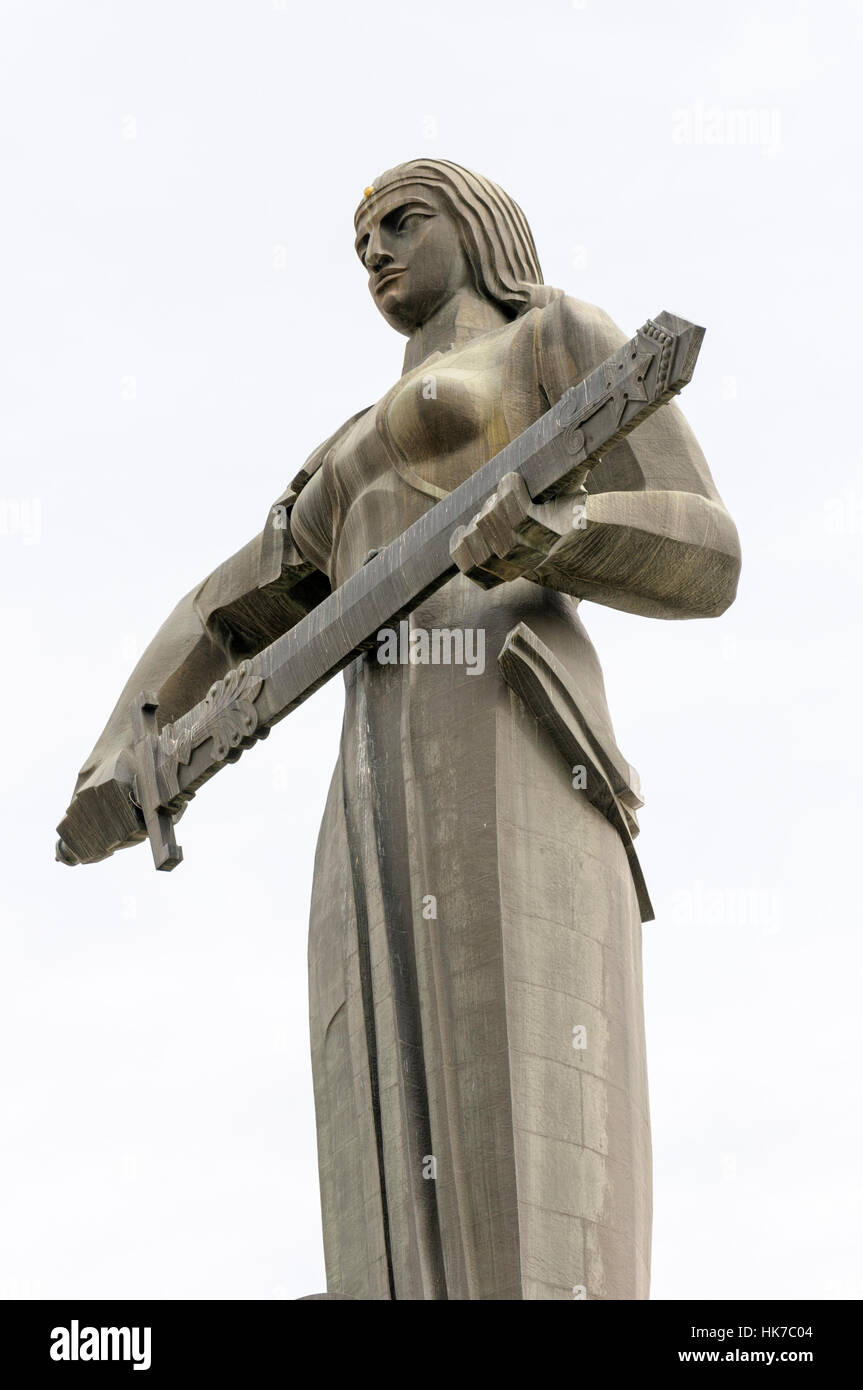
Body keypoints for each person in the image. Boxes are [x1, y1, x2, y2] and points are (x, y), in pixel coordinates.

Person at [58, 159, 740, 1300]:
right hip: (370, 765)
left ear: (472, 229)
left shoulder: (549, 340)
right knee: (369, 1099)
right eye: (359, 238)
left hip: (508, 721)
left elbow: (708, 548)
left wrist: (556, 534)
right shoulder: (342, 451)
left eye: (399, 223)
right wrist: (125, 750)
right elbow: (224, 610)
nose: (374, 250)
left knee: (515, 1116)